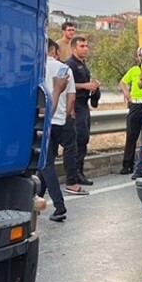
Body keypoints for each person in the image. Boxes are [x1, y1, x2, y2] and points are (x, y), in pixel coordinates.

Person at [38, 39, 71, 222]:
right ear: (55, 50)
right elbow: (71, 96)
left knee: (46, 163)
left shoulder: (38, 68)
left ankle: (59, 206)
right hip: (59, 120)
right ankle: (33, 201)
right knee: (44, 163)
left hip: (43, 121)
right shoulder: (65, 69)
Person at [65, 34, 100, 190]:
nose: (85, 49)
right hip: (76, 106)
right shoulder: (69, 65)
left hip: (84, 105)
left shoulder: (84, 65)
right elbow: (66, 85)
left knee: (84, 139)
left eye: (86, 46)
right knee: (79, 139)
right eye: (82, 46)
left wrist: (93, 87)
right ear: (73, 48)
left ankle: (80, 170)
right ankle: (75, 173)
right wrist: (84, 86)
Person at [118, 48, 142, 174]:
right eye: (140, 56)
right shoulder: (134, 70)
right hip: (136, 104)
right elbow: (123, 82)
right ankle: (127, 164)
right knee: (131, 136)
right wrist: (128, 96)